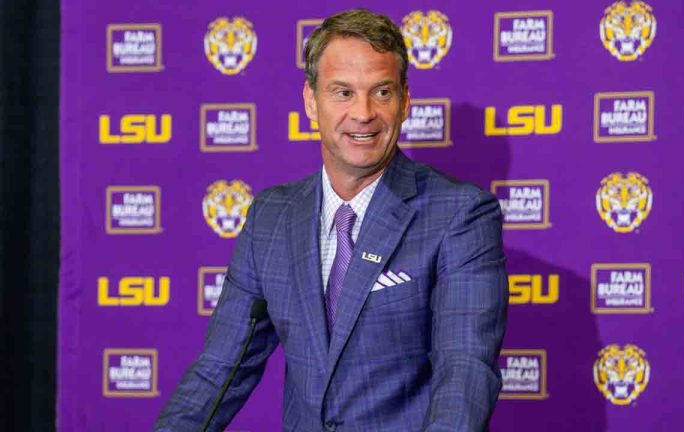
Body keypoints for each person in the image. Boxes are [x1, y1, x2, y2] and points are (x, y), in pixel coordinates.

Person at [155, 9, 507, 431]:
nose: (363, 113)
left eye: (381, 92)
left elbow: (464, 370)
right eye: (343, 92)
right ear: (310, 101)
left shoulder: (459, 215)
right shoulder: (270, 217)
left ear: (405, 101)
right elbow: (220, 368)